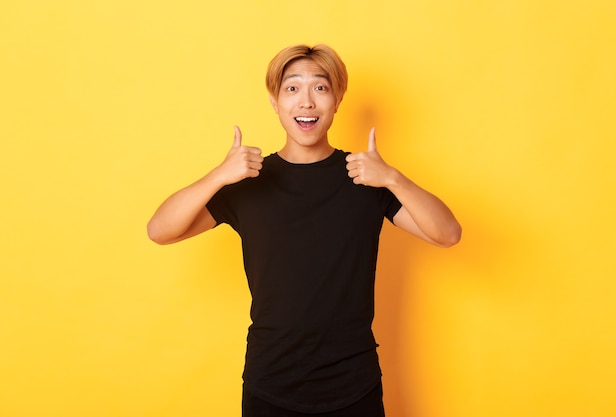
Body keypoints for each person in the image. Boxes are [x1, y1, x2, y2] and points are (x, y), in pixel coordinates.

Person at [147, 44, 461, 417]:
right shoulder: (249, 181)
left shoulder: (365, 178)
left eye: (320, 88)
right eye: (292, 89)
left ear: (337, 99)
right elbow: (160, 230)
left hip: (354, 383)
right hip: (271, 382)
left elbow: (448, 233)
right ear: (275, 103)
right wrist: (219, 176)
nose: (306, 102)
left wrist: (393, 178)